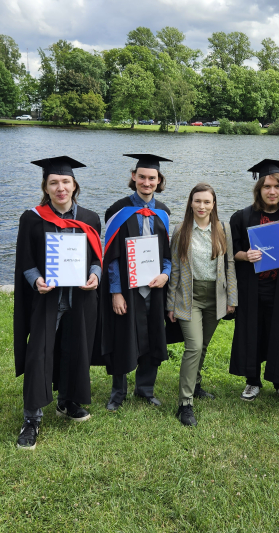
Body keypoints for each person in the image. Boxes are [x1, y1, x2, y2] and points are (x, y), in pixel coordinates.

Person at [13, 156, 102, 449]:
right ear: (46, 186)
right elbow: (25, 260)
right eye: (54, 183)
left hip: (79, 297)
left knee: (76, 348)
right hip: (47, 298)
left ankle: (67, 401)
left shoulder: (90, 218)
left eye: (65, 182)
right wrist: (36, 279)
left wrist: (95, 275)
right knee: (38, 353)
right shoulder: (32, 218)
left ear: (75, 185)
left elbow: (97, 257)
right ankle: (32, 418)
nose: (60, 188)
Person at [99, 154, 173, 411]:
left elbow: (167, 253)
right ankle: (117, 393)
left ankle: (145, 389)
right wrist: (115, 292)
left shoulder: (163, 212)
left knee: (153, 335)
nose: (146, 182)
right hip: (127, 289)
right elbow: (111, 257)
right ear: (133, 177)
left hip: (154, 286)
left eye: (152, 178)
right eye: (141, 177)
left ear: (159, 180)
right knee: (122, 336)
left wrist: (166, 273)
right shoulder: (117, 211)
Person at [229, 159, 279, 404]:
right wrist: (246, 255)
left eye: (277, 187)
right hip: (252, 287)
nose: (272, 191)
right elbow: (232, 252)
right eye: (267, 186)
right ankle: (252, 381)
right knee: (252, 333)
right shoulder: (242, 217)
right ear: (258, 189)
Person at [167, 183, 238, 426]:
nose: (202, 206)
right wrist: (170, 304)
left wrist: (231, 299)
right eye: (197, 201)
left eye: (207, 202)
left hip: (215, 296)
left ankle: (195, 384)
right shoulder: (180, 230)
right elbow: (175, 268)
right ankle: (185, 404)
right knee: (194, 347)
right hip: (189, 297)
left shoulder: (222, 229)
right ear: (190, 202)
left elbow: (229, 265)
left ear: (213, 204)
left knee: (204, 345)